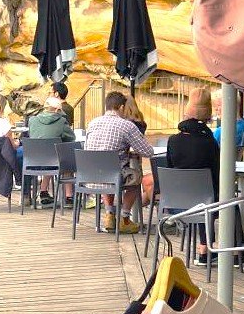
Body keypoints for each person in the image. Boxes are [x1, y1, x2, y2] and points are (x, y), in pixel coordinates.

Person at [82, 90, 156, 233]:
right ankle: (124, 218)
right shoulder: (126, 125)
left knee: (107, 170)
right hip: (113, 175)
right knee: (136, 177)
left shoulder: (92, 123)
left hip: (90, 176)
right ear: (121, 107)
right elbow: (148, 152)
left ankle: (109, 214)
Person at [165, 88, 220, 190]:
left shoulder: (173, 140)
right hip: (206, 198)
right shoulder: (211, 142)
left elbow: (170, 168)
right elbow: (217, 175)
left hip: (177, 195)